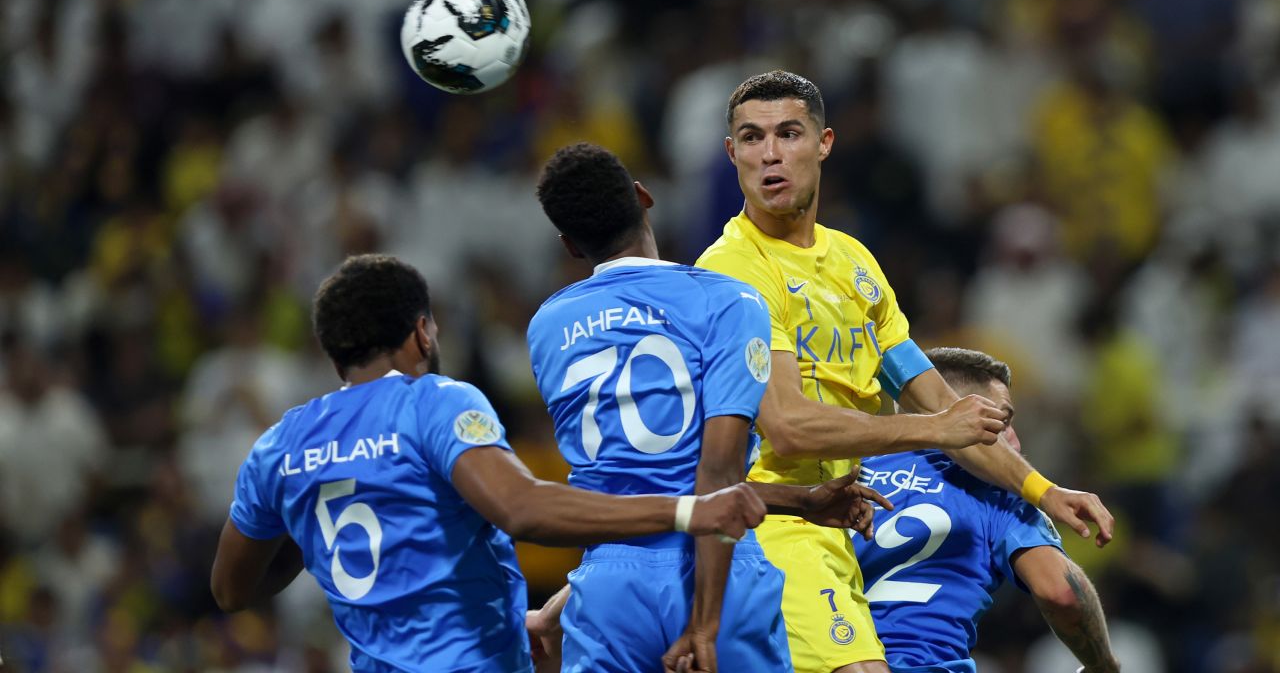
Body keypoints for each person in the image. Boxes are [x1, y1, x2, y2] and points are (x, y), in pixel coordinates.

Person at [695, 70, 1115, 673]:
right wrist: (934, 429)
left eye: (788, 133)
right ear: (731, 153)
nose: (770, 154)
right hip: (771, 525)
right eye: (751, 138)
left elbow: (947, 407)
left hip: (836, 525)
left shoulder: (853, 263)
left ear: (824, 143)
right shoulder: (734, 270)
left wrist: (1046, 492)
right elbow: (787, 427)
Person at [209, 254, 771, 673]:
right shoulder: (432, 402)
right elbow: (522, 510)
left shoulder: (281, 445)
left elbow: (232, 590)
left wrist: (315, 542)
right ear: (422, 331)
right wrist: (687, 512)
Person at [524, 143, 889, 673]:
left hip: (606, 588)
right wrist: (704, 622)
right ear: (642, 197)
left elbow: (646, 480)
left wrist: (802, 501)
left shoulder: (547, 327)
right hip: (715, 572)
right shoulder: (729, 300)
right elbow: (714, 471)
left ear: (569, 245)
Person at [854, 347, 1120, 673]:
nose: (1015, 444)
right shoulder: (997, 493)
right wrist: (1103, 664)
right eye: (1002, 421)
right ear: (959, 411)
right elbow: (1061, 594)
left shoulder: (842, 477)